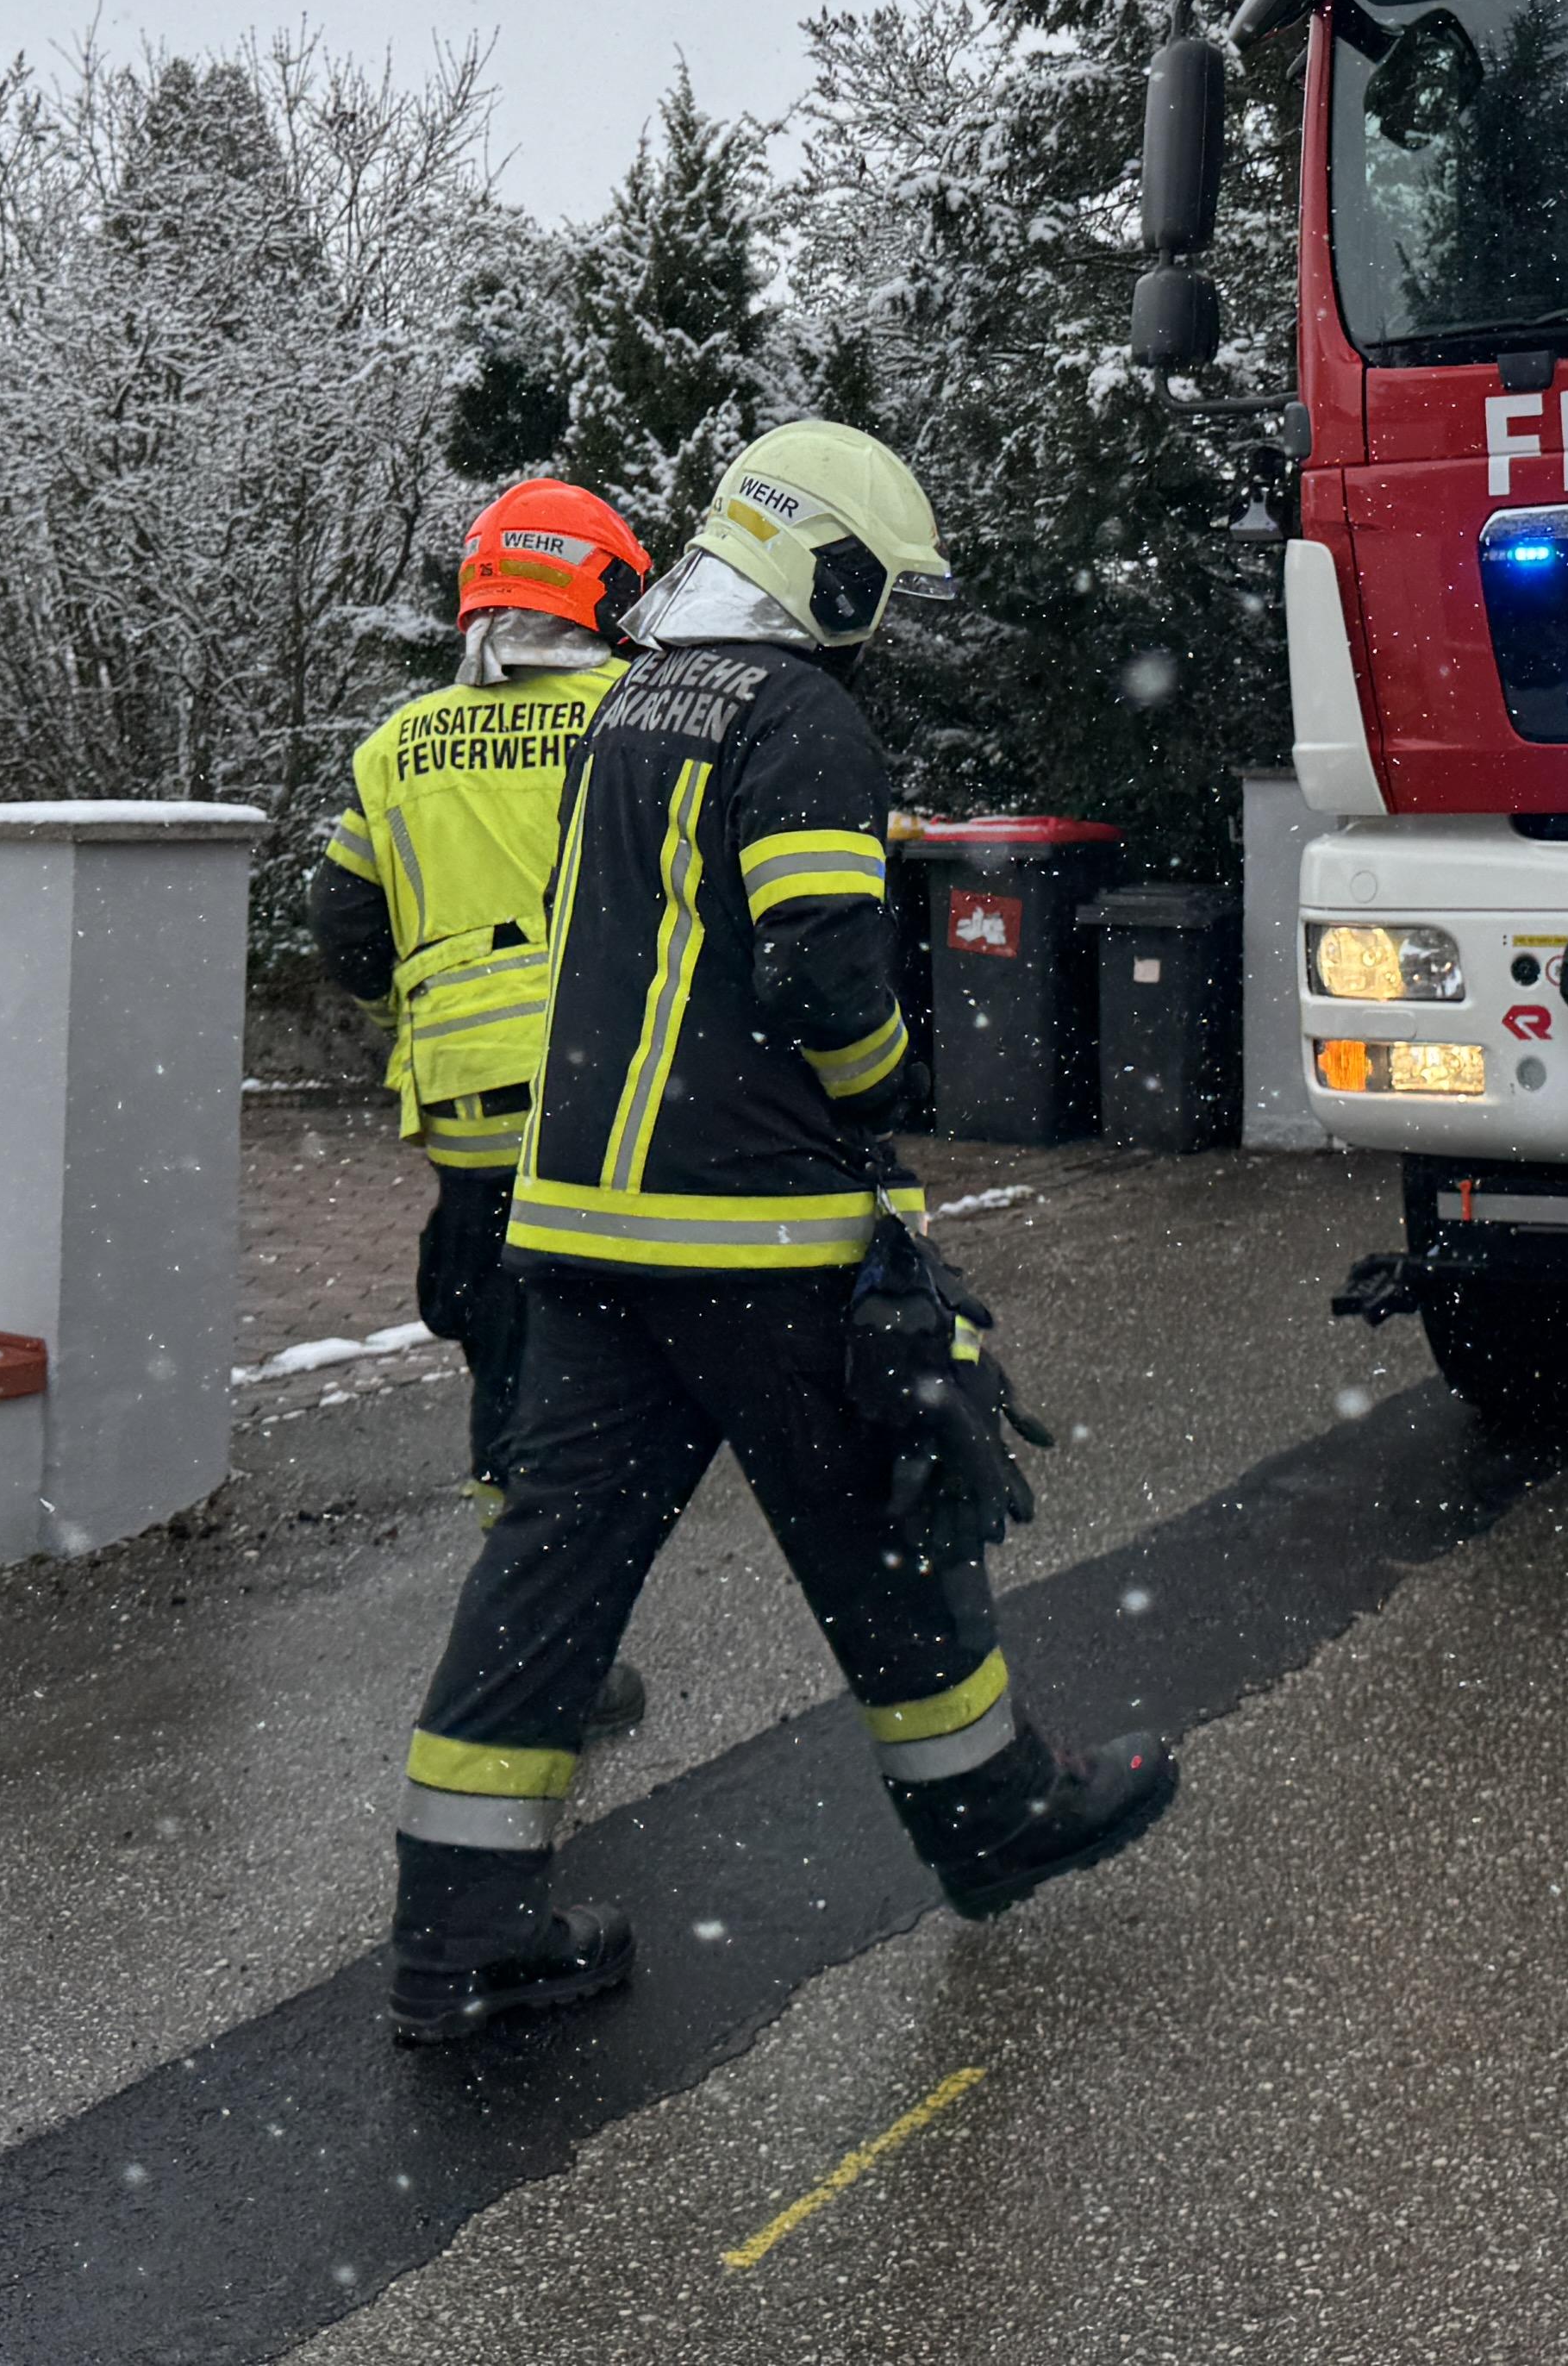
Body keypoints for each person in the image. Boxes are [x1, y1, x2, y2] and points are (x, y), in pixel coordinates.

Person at [384, 421, 1179, 2048]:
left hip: (581, 1230)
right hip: (749, 1227)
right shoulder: (797, 714)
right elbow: (823, 958)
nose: (875, 614)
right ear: (817, 558)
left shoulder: (628, 705)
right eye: (872, 581)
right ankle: (995, 1815)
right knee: (885, 1529)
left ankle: (458, 1929)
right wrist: (885, 1085)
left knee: (552, 1566)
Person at [313, 479, 653, 1514]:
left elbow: (346, 930)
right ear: (604, 591)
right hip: (621, 1104)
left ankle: (517, 1560)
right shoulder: (639, 723)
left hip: (471, 1120)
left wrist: (416, 1024)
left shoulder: (395, 749)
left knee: (508, 1356)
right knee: (631, 1342)